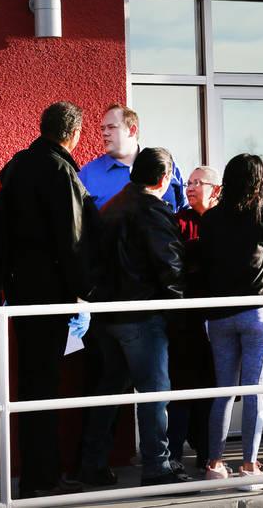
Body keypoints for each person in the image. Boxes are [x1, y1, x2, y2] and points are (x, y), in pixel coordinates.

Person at [0, 101, 97, 499]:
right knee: (45, 384)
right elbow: (72, 240)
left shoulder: (17, 165)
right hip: (50, 294)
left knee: (30, 385)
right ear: (73, 135)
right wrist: (84, 293)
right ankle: (44, 480)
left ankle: (33, 477)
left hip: (19, 291)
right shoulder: (61, 171)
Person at [81, 147, 188, 487]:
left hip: (107, 316)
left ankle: (92, 462)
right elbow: (169, 267)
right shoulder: (153, 211)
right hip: (141, 315)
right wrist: (182, 310)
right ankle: (157, 465)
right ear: (164, 178)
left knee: (110, 388)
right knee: (155, 391)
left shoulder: (111, 207)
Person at [198, 154, 263, 490]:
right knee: (252, 392)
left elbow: (203, 262)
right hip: (256, 313)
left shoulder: (211, 219)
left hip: (219, 314)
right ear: (259, 181)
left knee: (224, 392)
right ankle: (249, 467)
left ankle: (214, 464)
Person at [167, 166, 222, 470]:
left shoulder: (223, 222)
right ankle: (173, 455)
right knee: (181, 389)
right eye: (187, 183)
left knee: (211, 387)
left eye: (197, 183)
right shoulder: (180, 222)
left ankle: (206, 452)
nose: (189, 187)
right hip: (185, 319)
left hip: (217, 319)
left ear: (215, 189)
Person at [78, 104, 186, 211]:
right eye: (102, 128)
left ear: (132, 130)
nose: (105, 133)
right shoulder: (87, 174)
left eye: (111, 127)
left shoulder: (164, 163)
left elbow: (185, 209)